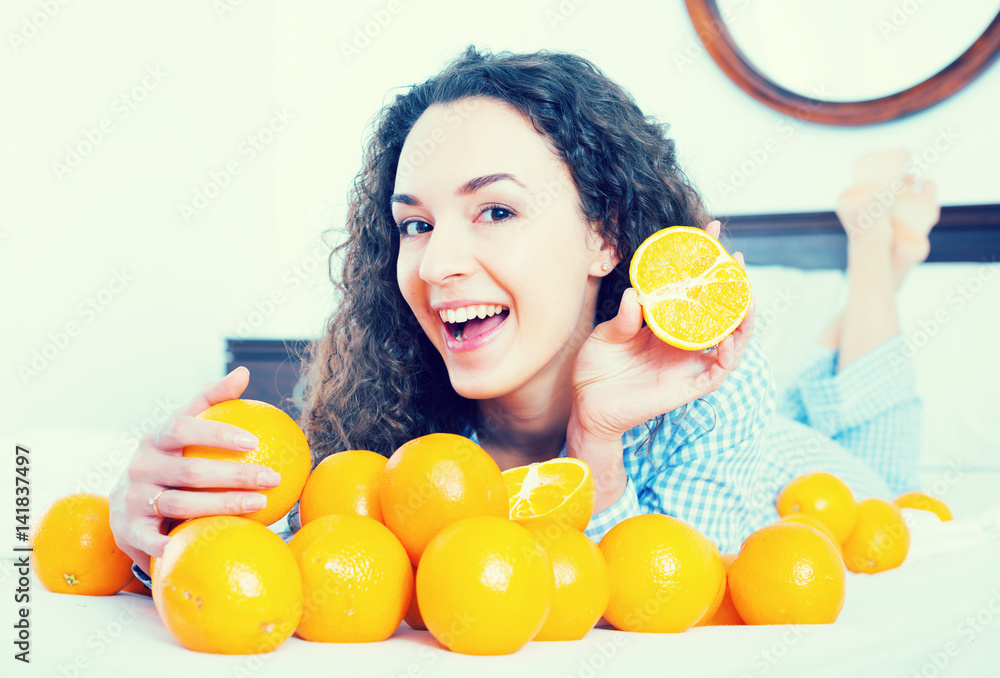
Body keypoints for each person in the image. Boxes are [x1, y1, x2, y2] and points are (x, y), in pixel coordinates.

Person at [110, 47, 934, 585]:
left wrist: (595, 441)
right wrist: (158, 531)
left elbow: (662, 594)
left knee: (888, 467)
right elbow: (284, 558)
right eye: (415, 225)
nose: (435, 265)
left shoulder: (709, 382)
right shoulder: (389, 436)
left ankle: (873, 257)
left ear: (603, 236)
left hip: (803, 463)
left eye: (496, 212)